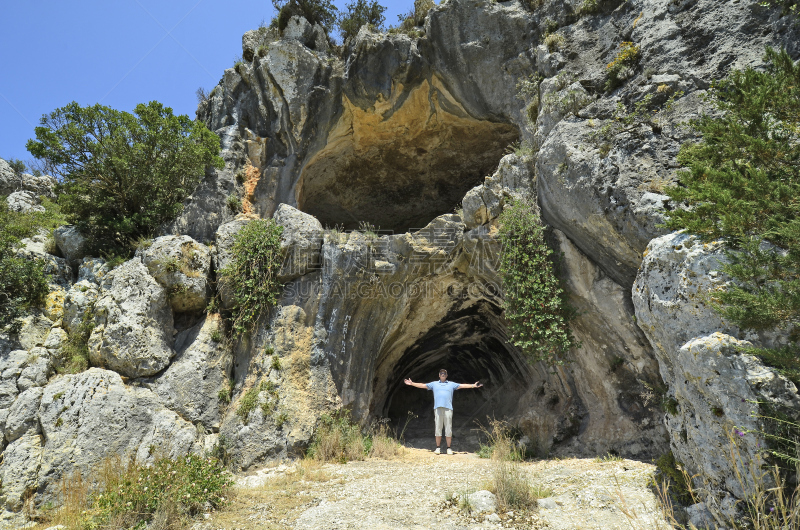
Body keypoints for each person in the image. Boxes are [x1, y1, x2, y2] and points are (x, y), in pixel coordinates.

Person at [404, 369, 483, 455]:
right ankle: (438, 448)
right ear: (439, 375)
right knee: (438, 428)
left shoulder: (451, 384)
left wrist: (473, 386)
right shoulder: (434, 384)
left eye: (444, 373)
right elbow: (423, 385)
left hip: (448, 409)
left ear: (446, 375)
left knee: (448, 428)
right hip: (438, 408)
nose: (442, 374)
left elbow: (462, 385)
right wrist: (412, 383)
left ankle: (448, 448)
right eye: (441, 373)